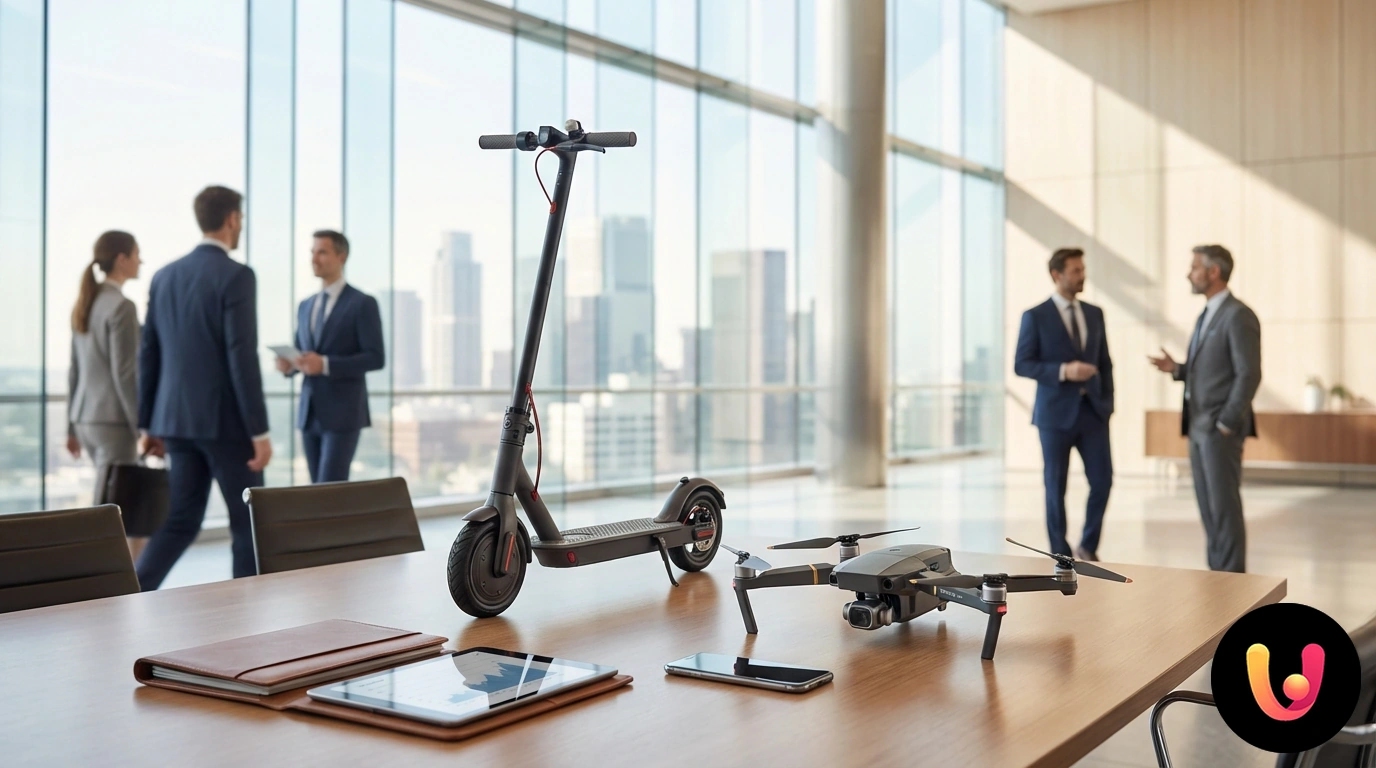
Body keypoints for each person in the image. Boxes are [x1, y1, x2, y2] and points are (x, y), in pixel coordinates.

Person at [135, 186, 271, 589]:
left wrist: (149, 424)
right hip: (226, 425)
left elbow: (149, 354)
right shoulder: (236, 275)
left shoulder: (165, 276)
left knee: (180, 520)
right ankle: (245, 616)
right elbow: (241, 356)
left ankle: (131, 595)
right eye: (241, 219)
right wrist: (259, 431)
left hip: (174, 423)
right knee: (248, 523)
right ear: (231, 219)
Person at [1149, 245, 1261, 573]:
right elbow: (1213, 369)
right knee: (1209, 511)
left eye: (1195, 267)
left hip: (1218, 429)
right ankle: (1218, 579)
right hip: (1198, 428)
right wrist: (1178, 369)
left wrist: (1227, 422)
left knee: (1224, 510)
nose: (1189, 273)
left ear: (1214, 272)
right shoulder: (1208, 313)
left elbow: (1249, 373)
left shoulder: (1238, 315)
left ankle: (1232, 583)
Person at [1014, 248, 1114, 561]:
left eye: (1082, 269)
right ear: (1057, 275)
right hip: (1054, 416)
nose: (1082, 275)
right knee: (1055, 486)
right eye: (1075, 270)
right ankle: (1061, 551)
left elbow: (1106, 363)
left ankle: (1089, 545)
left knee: (1103, 480)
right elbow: (1022, 364)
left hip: (1093, 413)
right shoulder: (1035, 316)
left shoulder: (1095, 313)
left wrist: (1108, 404)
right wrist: (1063, 371)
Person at [275, 230, 384, 482]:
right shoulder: (305, 305)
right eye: (312, 252)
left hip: (343, 413)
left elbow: (376, 357)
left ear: (341, 256)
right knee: (316, 490)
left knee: (331, 488)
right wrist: (289, 365)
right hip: (309, 412)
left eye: (322, 252)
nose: (314, 259)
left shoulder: (362, 303)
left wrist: (324, 364)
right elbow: (302, 352)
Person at [66, 230, 145, 559]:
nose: (141, 261)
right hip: (113, 421)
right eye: (138, 254)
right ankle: (100, 579)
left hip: (86, 418)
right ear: (122, 259)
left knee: (107, 504)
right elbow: (125, 373)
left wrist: (71, 428)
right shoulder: (121, 306)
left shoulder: (86, 302)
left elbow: (75, 370)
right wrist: (142, 426)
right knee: (117, 511)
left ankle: (98, 577)